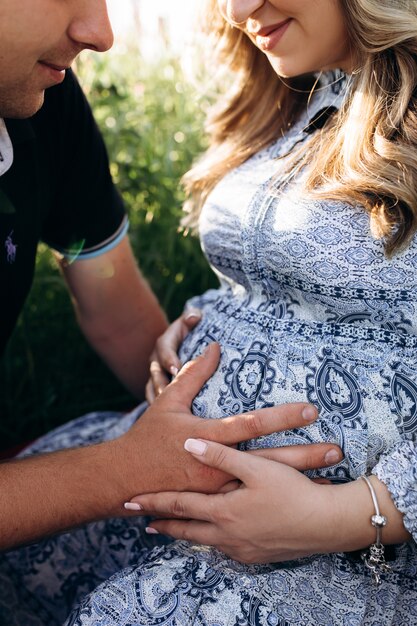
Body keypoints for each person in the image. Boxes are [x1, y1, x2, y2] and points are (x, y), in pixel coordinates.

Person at [60, 0, 417, 623]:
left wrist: (341, 516)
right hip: (182, 484)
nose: (237, 8)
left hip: (350, 550)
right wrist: (201, 322)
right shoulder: (299, 100)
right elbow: (283, 292)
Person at [0, 1, 339, 623]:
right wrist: (126, 467)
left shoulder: (39, 102)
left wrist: (181, 399)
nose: (99, 33)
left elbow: (112, 306)